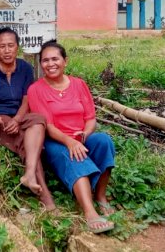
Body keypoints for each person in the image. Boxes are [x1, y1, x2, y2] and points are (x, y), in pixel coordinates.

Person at [27, 40, 116, 233]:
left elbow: (91, 118)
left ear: (65, 61)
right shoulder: (36, 89)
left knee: (103, 141)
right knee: (74, 155)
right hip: (55, 141)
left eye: (55, 59)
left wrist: (84, 134)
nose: (50, 64)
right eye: (45, 60)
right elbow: (48, 127)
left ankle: (100, 196)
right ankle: (90, 212)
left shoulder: (79, 84)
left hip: (81, 137)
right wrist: (70, 142)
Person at [0, 27, 55, 209]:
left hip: (19, 116)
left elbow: (26, 98)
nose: (7, 50)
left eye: (11, 45)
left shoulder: (25, 68)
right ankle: (45, 197)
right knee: (26, 142)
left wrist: (17, 119)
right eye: (2, 46)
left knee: (39, 119)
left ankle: (29, 174)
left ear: (17, 47)